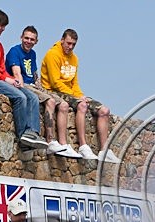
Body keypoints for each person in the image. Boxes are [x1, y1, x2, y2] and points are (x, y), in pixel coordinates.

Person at [0, 9, 47, 151]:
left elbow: (1, 69)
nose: (3, 28)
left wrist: (11, 79)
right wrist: (5, 78)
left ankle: (33, 133)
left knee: (32, 97)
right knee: (20, 97)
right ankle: (23, 136)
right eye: (1, 25)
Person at [41, 28, 120, 163]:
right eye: (68, 43)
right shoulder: (52, 54)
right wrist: (77, 98)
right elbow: (55, 82)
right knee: (82, 105)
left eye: (73, 44)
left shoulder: (74, 58)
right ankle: (83, 146)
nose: (70, 47)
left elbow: (74, 82)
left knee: (104, 110)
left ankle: (104, 150)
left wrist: (80, 95)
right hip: (54, 91)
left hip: (71, 92)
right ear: (62, 40)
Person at [5, 26, 81, 158]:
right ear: (21, 38)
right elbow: (17, 73)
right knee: (50, 101)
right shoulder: (14, 51)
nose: (28, 41)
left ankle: (63, 144)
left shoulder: (32, 54)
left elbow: (34, 74)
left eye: (32, 39)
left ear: (36, 41)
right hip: (23, 85)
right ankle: (50, 140)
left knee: (63, 105)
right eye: (26, 38)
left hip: (33, 85)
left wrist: (41, 88)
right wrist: (25, 89)